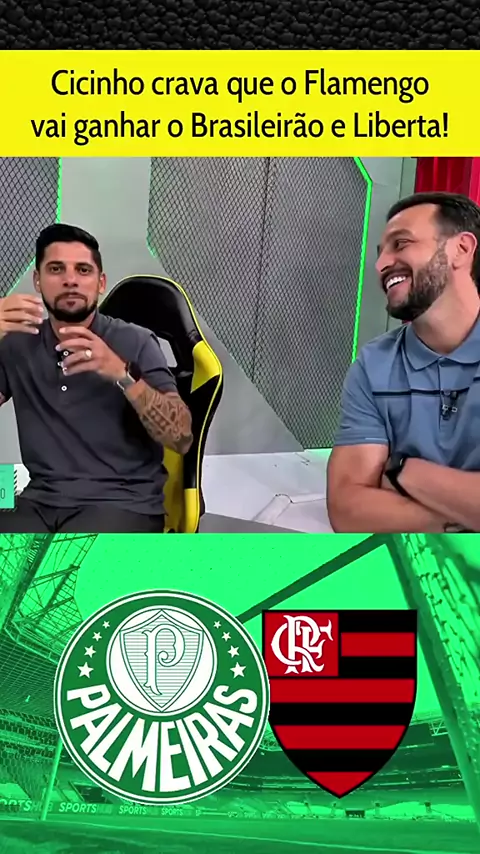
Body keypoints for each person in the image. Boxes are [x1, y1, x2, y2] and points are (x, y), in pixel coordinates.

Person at [0, 223, 193, 533]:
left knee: (68, 563)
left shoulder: (137, 341)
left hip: (123, 504)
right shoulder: (17, 342)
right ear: (37, 280)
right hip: (39, 503)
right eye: (56, 269)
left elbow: (181, 438)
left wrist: (122, 374)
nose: (71, 280)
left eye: (83, 270)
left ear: (100, 283)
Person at [326, 190, 480, 533]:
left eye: (401, 243)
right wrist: (465, 522)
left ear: (461, 249)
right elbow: (347, 509)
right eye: (380, 253)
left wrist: (403, 471)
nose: (381, 265)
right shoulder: (373, 365)